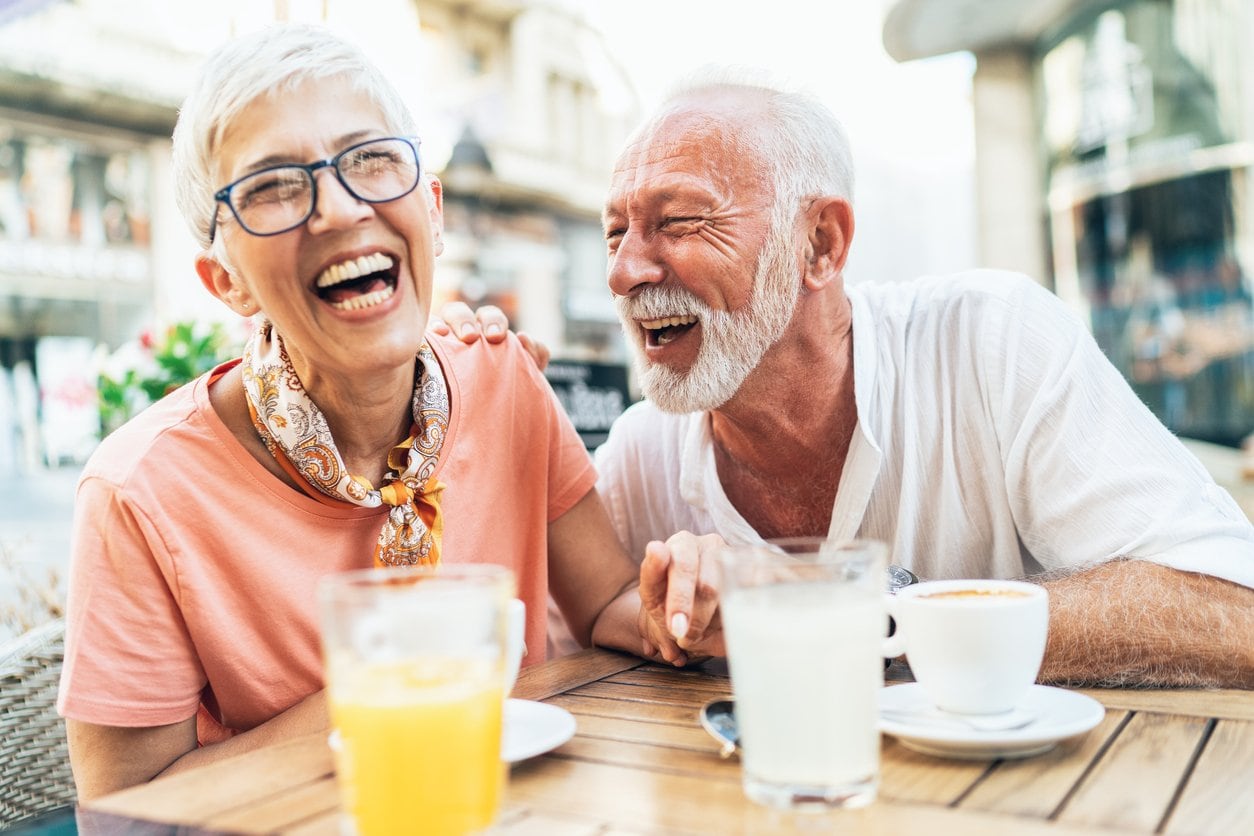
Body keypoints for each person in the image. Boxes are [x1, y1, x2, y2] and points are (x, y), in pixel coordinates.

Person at [56, 23, 681, 801]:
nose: (340, 208)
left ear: (434, 210)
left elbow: (612, 604)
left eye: (372, 159)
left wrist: (679, 612)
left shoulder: (504, 382)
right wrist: (411, 677)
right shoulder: (139, 493)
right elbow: (122, 806)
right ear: (227, 283)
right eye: (274, 185)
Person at [589, 68, 1254, 687]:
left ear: (819, 244)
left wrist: (871, 615)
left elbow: (1231, 606)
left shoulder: (992, 341)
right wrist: (491, 366)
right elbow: (564, 635)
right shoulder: (638, 455)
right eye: (615, 235)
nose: (624, 273)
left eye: (679, 221)